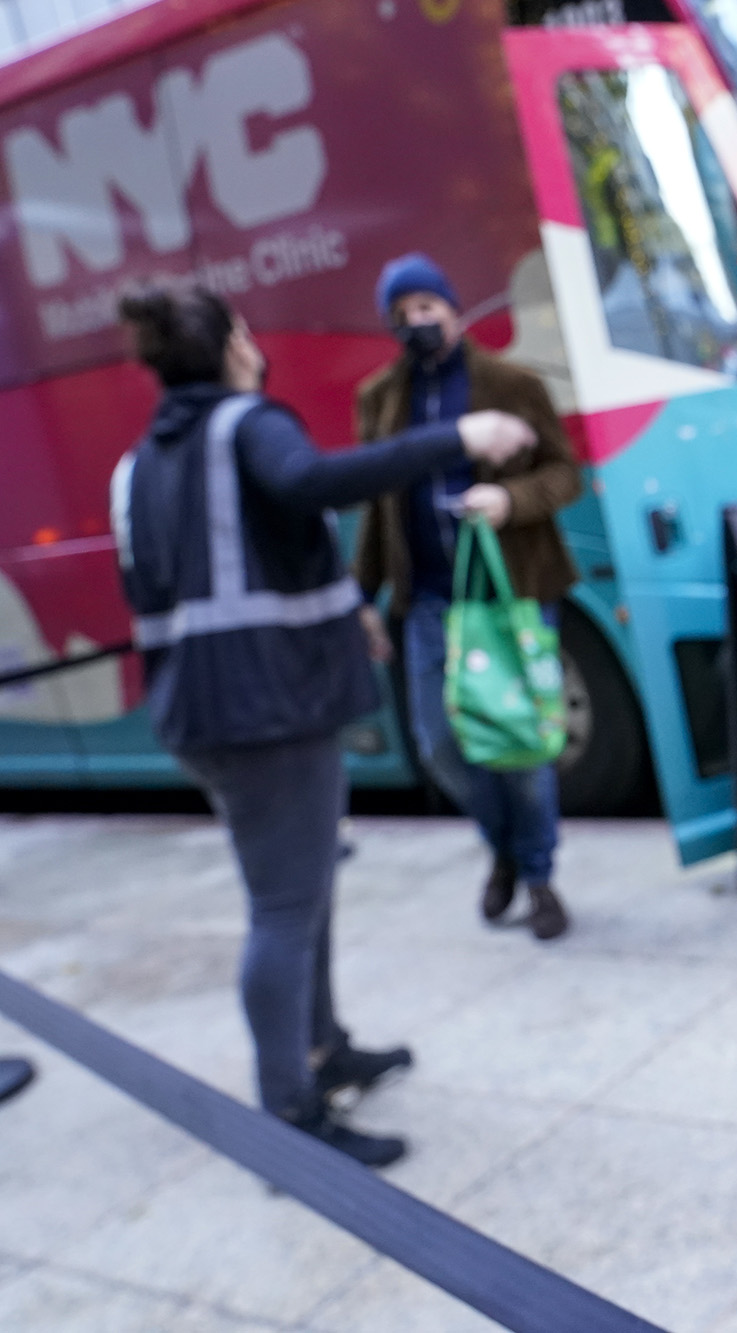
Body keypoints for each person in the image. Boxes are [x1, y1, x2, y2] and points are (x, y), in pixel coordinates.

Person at [111, 280, 537, 1167]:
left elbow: (230, 561)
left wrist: (348, 605)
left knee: (301, 890)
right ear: (233, 344)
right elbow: (313, 484)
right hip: (267, 708)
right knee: (283, 905)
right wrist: (459, 437)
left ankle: (324, 1045)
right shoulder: (248, 423)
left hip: (202, 710)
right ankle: (293, 1110)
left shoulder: (143, 462)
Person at [352, 255, 583, 941]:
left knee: (523, 742)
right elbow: (375, 502)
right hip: (427, 601)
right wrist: (362, 592)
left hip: (512, 595)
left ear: (453, 307)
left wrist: (509, 499)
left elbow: (564, 472)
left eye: (426, 306)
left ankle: (537, 875)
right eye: (401, 314)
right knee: (442, 744)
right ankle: (504, 849)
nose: (416, 322)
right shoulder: (380, 399)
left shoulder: (510, 383)